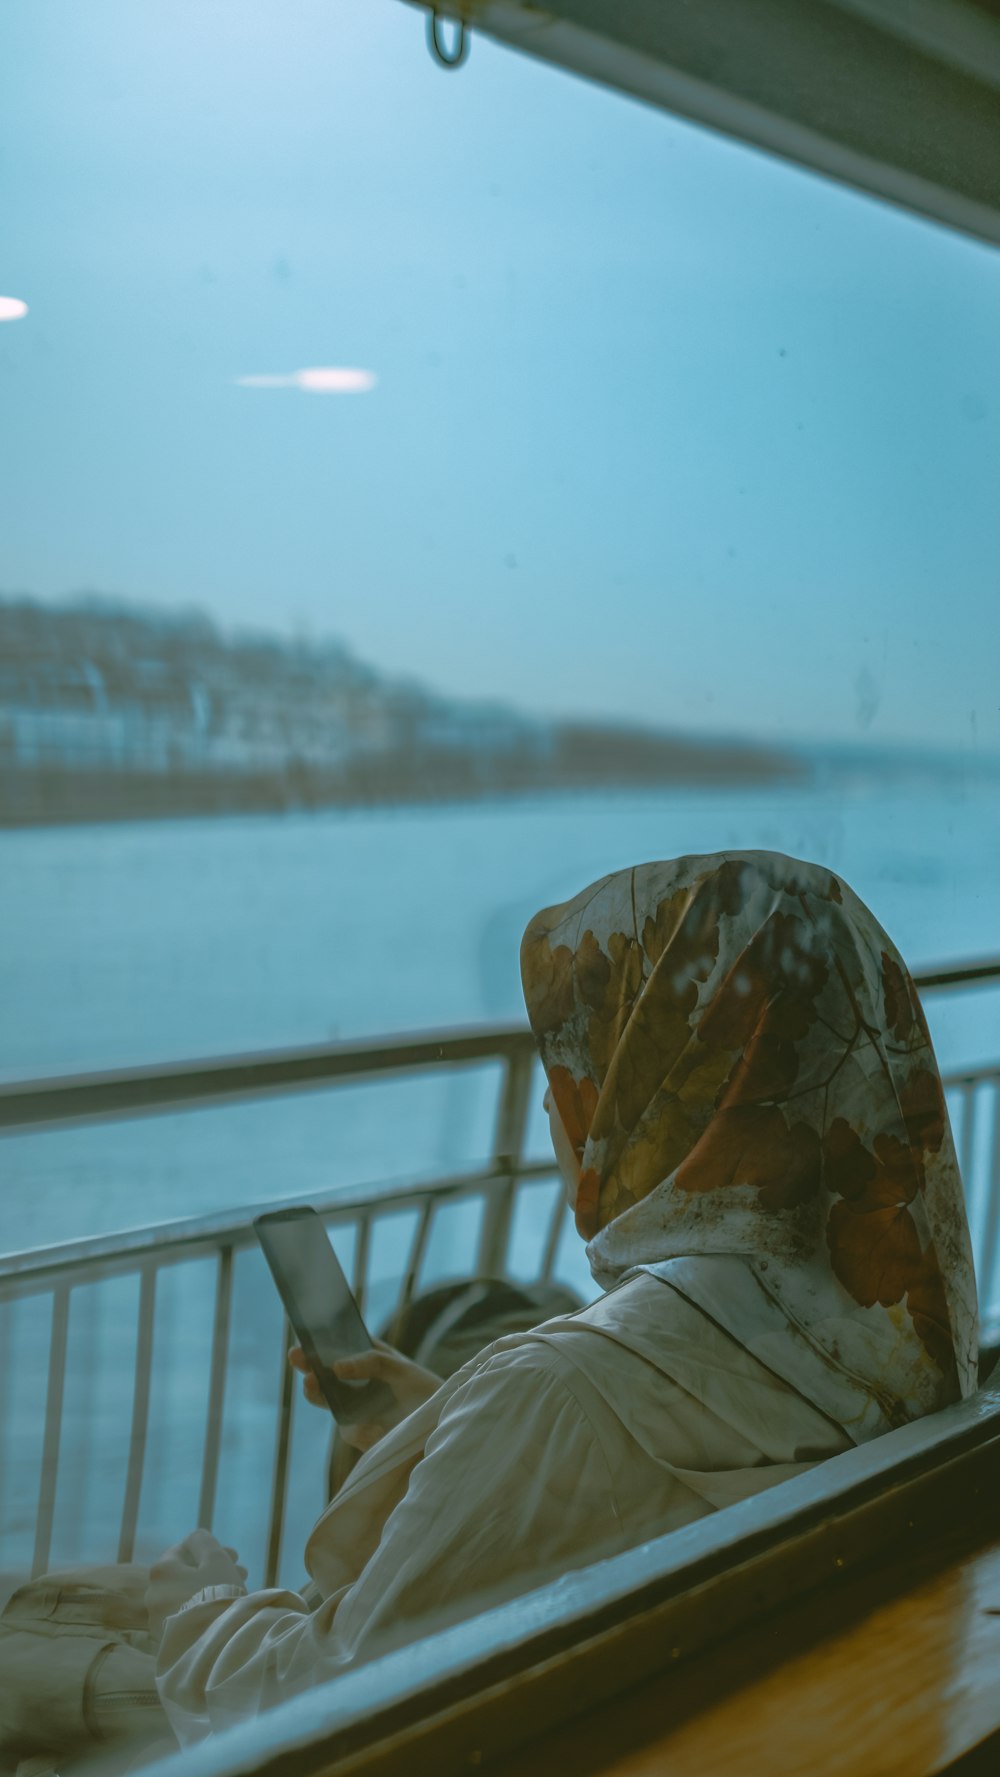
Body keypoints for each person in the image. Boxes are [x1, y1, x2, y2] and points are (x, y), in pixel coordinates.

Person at [150, 850, 978, 1742]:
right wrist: (453, 1421)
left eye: (580, 1060)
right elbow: (653, 1483)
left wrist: (190, 1605)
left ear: (653, 1094)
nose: (555, 1107)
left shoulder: (555, 1396)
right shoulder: (902, 1353)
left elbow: (310, 1706)